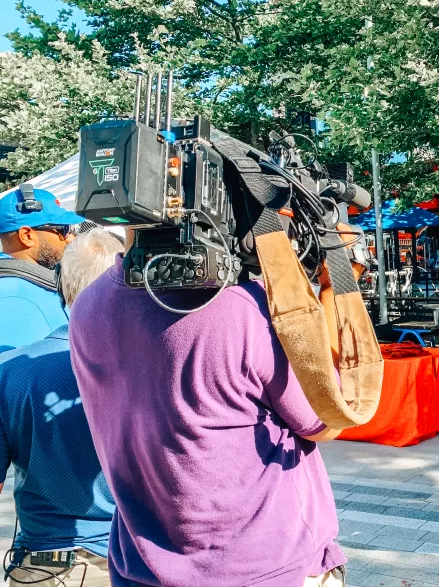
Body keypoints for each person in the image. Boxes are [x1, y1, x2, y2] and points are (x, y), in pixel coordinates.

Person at [70, 234, 346, 587]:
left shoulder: (89, 304)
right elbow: (326, 421)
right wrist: (327, 287)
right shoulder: (244, 307)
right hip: (262, 570)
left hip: (141, 568)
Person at [0, 229, 121, 587]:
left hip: (41, 568)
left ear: (59, 284)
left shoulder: (11, 371)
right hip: (129, 565)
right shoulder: (153, 368)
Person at [0, 186, 83, 351]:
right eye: (64, 230)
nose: (71, 238)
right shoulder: (14, 298)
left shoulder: (34, 285)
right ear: (27, 236)